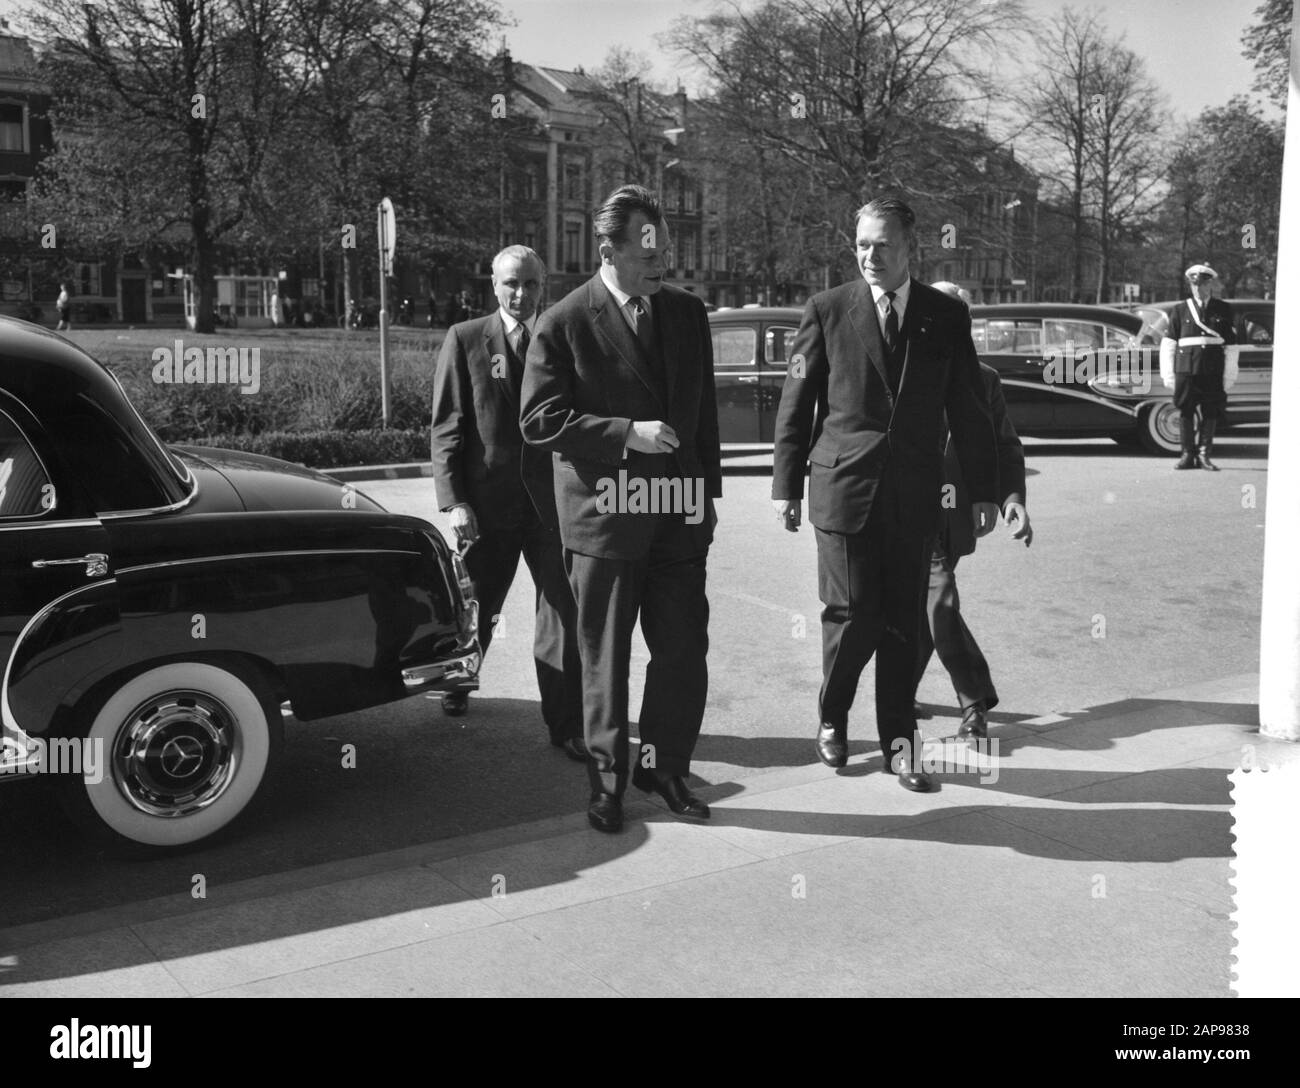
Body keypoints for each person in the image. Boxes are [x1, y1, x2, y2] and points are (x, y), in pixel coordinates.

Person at [771, 197, 999, 792]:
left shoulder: (944, 315)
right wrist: (785, 485)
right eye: (862, 245)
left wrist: (983, 489)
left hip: (915, 494)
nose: (870, 256)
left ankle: (901, 747)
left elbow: (968, 407)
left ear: (909, 249)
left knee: (904, 624)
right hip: (843, 488)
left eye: (883, 246)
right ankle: (832, 716)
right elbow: (798, 405)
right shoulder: (826, 309)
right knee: (853, 617)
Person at [521, 184, 722, 833]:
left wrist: (705, 501)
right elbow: (538, 419)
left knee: (684, 651)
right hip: (605, 516)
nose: (659, 262)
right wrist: (622, 434)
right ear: (607, 248)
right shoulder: (564, 321)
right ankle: (606, 783)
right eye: (645, 251)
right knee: (604, 659)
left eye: (663, 249)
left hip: (677, 514)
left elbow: (705, 419)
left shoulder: (688, 315)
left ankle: (664, 769)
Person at [430, 244, 585, 761]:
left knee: (563, 614)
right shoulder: (466, 338)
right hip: (487, 508)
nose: (521, 294)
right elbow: (448, 427)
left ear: (545, 287)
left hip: (552, 508)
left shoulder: (561, 336)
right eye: (511, 284)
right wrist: (454, 502)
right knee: (479, 608)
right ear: (493, 286)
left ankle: (566, 724)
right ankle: (458, 680)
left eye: (531, 284)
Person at [914, 281, 1033, 742]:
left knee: (929, 605)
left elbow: (1004, 445)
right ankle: (975, 702)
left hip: (957, 513)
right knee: (937, 600)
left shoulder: (983, 379)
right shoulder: (900, 371)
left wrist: (1012, 501)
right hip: (906, 510)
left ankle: (908, 691)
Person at [1159, 263, 1239, 471]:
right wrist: (1168, 375)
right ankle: (1187, 454)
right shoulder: (1179, 309)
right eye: (1194, 285)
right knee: (1186, 410)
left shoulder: (1223, 309)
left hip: (1213, 369)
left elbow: (1231, 346)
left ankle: (1204, 455)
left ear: (1210, 284)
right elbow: (1168, 345)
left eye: (1201, 284)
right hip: (1186, 369)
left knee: (1210, 411)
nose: (1197, 288)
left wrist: (1229, 374)